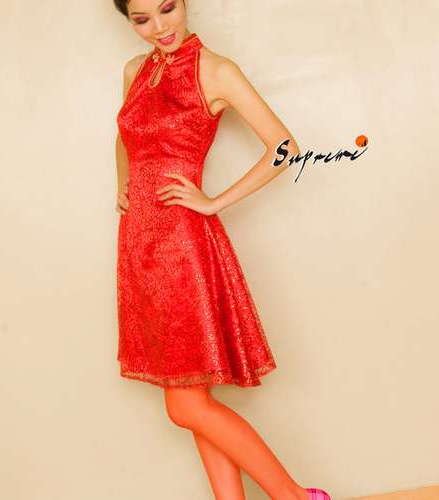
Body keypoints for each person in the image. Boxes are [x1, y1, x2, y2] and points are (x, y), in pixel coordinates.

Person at [113, 1, 332, 499]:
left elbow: (284, 147)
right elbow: (123, 136)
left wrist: (213, 203)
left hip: (181, 246)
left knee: (185, 406)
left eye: (167, 9)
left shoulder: (215, 71)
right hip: (139, 245)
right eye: (142, 19)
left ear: (184, 2)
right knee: (195, 400)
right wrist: (124, 183)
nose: (159, 27)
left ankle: (297, 497)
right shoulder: (134, 71)